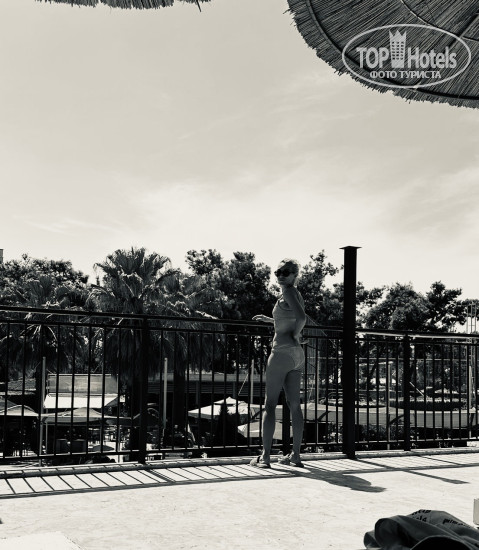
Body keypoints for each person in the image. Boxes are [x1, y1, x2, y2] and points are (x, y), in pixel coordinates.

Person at [251, 259, 307, 468]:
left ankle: (265, 457)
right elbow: (291, 317)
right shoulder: (295, 293)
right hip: (297, 355)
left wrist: (295, 334)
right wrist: (270, 320)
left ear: (294, 275)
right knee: (295, 405)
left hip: (282, 352)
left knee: (270, 405)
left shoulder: (289, 292)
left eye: (286, 272)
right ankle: (295, 456)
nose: (281, 275)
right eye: (278, 272)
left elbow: (301, 318)